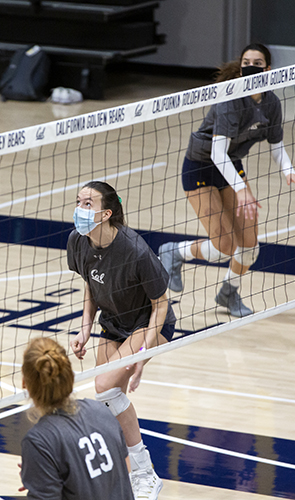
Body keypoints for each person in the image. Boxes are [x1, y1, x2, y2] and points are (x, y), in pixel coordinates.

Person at [158, 43, 295, 317]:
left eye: (258, 62)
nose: (251, 66)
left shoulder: (272, 103)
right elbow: (217, 154)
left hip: (231, 167)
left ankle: (229, 292)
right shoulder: (229, 100)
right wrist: (242, 190)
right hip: (201, 168)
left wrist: (289, 171)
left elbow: (276, 145)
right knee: (224, 246)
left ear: (268, 69)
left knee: (250, 246)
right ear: (241, 68)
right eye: (246, 61)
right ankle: (175, 252)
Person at [67, 181, 174, 500]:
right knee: (109, 403)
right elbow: (90, 285)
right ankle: (120, 472)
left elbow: (162, 304)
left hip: (149, 324)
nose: (79, 209)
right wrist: (85, 327)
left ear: (106, 213)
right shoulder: (78, 240)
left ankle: (145, 472)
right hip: (113, 324)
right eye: (78, 201)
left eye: (88, 204)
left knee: (106, 387)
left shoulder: (135, 250)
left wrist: (142, 354)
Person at [0, 337, 133, 500]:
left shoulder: (40, 440)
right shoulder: (100, 410)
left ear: (24, 384)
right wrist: (42, 475)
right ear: (70, 376)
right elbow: (124, 474)